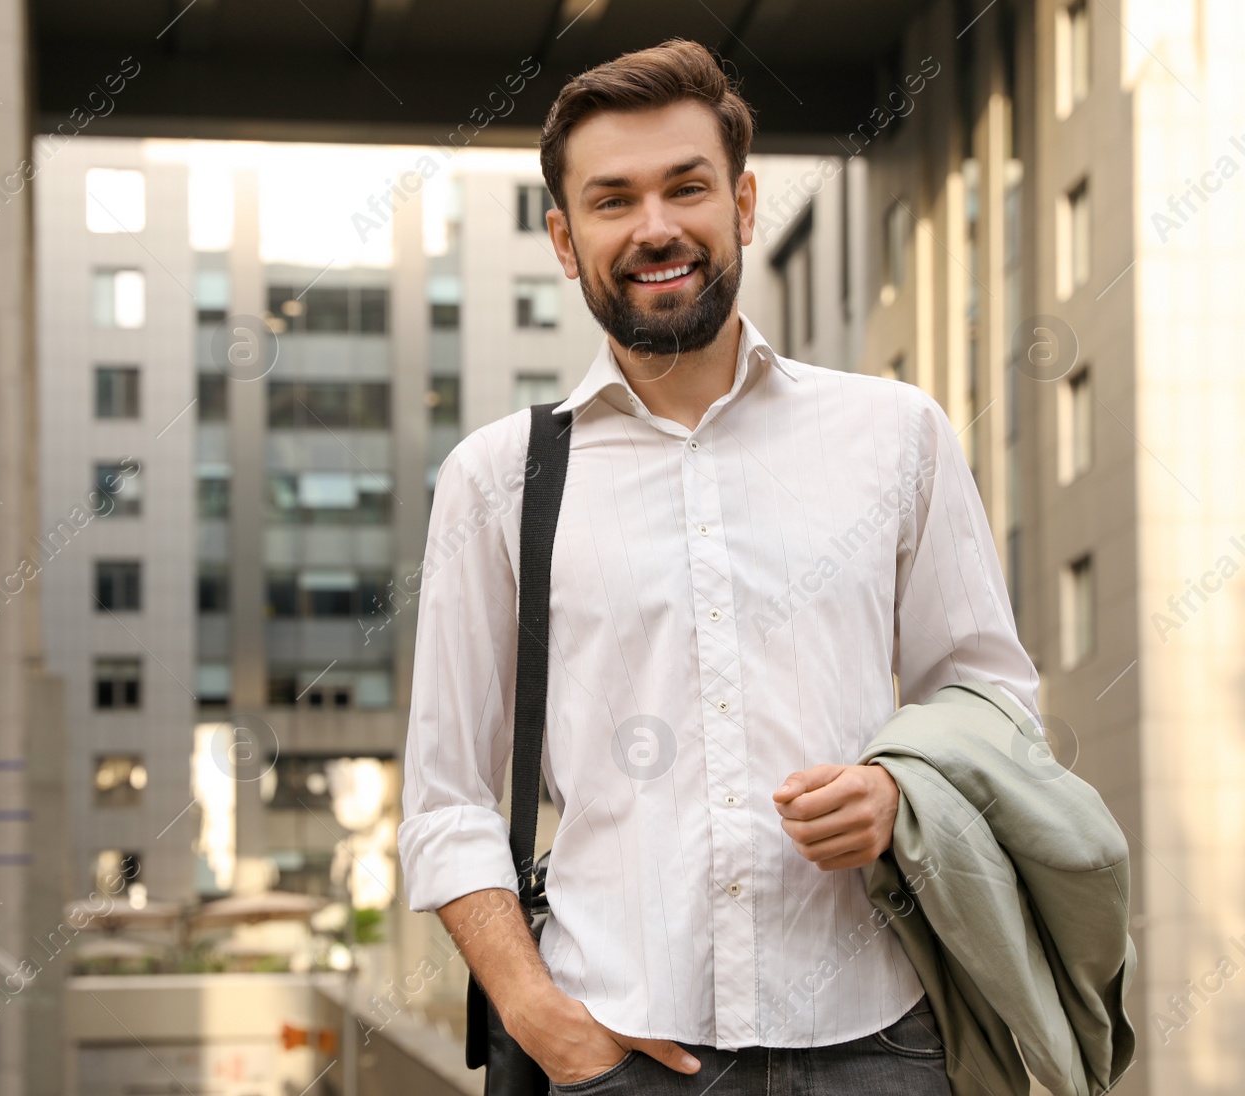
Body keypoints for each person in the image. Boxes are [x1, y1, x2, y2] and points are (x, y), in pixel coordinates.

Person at [396, 37, 1042, 1095]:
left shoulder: (894, 433)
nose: (656, 227)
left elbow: (989, 697)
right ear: (564, 239)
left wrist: (896, 790)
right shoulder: (496, 478)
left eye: (685, 187)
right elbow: (446, 799)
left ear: (742, 206)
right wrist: (538, 1015)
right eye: (613, 200)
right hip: (621, 1051)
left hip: (880, 1039)